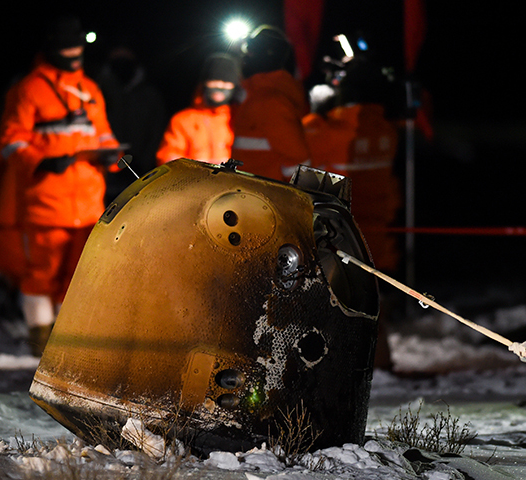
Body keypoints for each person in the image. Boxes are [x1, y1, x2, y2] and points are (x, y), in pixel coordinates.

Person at [0, 15, 122, 355]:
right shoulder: (29, 88)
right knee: (41, 272)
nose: (74, 53)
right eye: (68, 48)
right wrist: (41, 161)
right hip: (46, 199)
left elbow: (103, 134)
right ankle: (39, 337)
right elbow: (11, 140)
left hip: (88, 203)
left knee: (79, 277)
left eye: (78, 47)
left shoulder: (90, 89)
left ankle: (67, 344)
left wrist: (113, 156)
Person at [303, 58, 400, 370]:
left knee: (335, 311)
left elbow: (306, 145)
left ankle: (345, 372)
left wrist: (318, 107)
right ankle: (384, 369)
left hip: (343, 234)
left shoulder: (326, 130)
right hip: (380, 234)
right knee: (375, 309)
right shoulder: (386, 130)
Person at [231, 25, 311, 181]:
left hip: (265, 199)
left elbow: (298, 160)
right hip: (256, 197)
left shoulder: (268, 102)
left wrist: (293, 201)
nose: (245, 59)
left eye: (250, 53)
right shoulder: (258, 96)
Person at [95, 45, 167, 203]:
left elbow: (156, 132)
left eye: (125, 61)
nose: (121, 66)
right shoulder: (98, 93)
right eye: (116, 62)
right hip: (107, 173)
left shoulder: (149, 96)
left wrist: (144, 163)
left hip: (140, 170)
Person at [156, 53, 242, 166]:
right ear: (205, 83)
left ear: (235, 86)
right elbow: (168, 157)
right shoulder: (183, 119)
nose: (220, 86)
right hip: (193, 182)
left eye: (226, 82)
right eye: (214, 80)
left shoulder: (241, 118)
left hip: (232, 183)